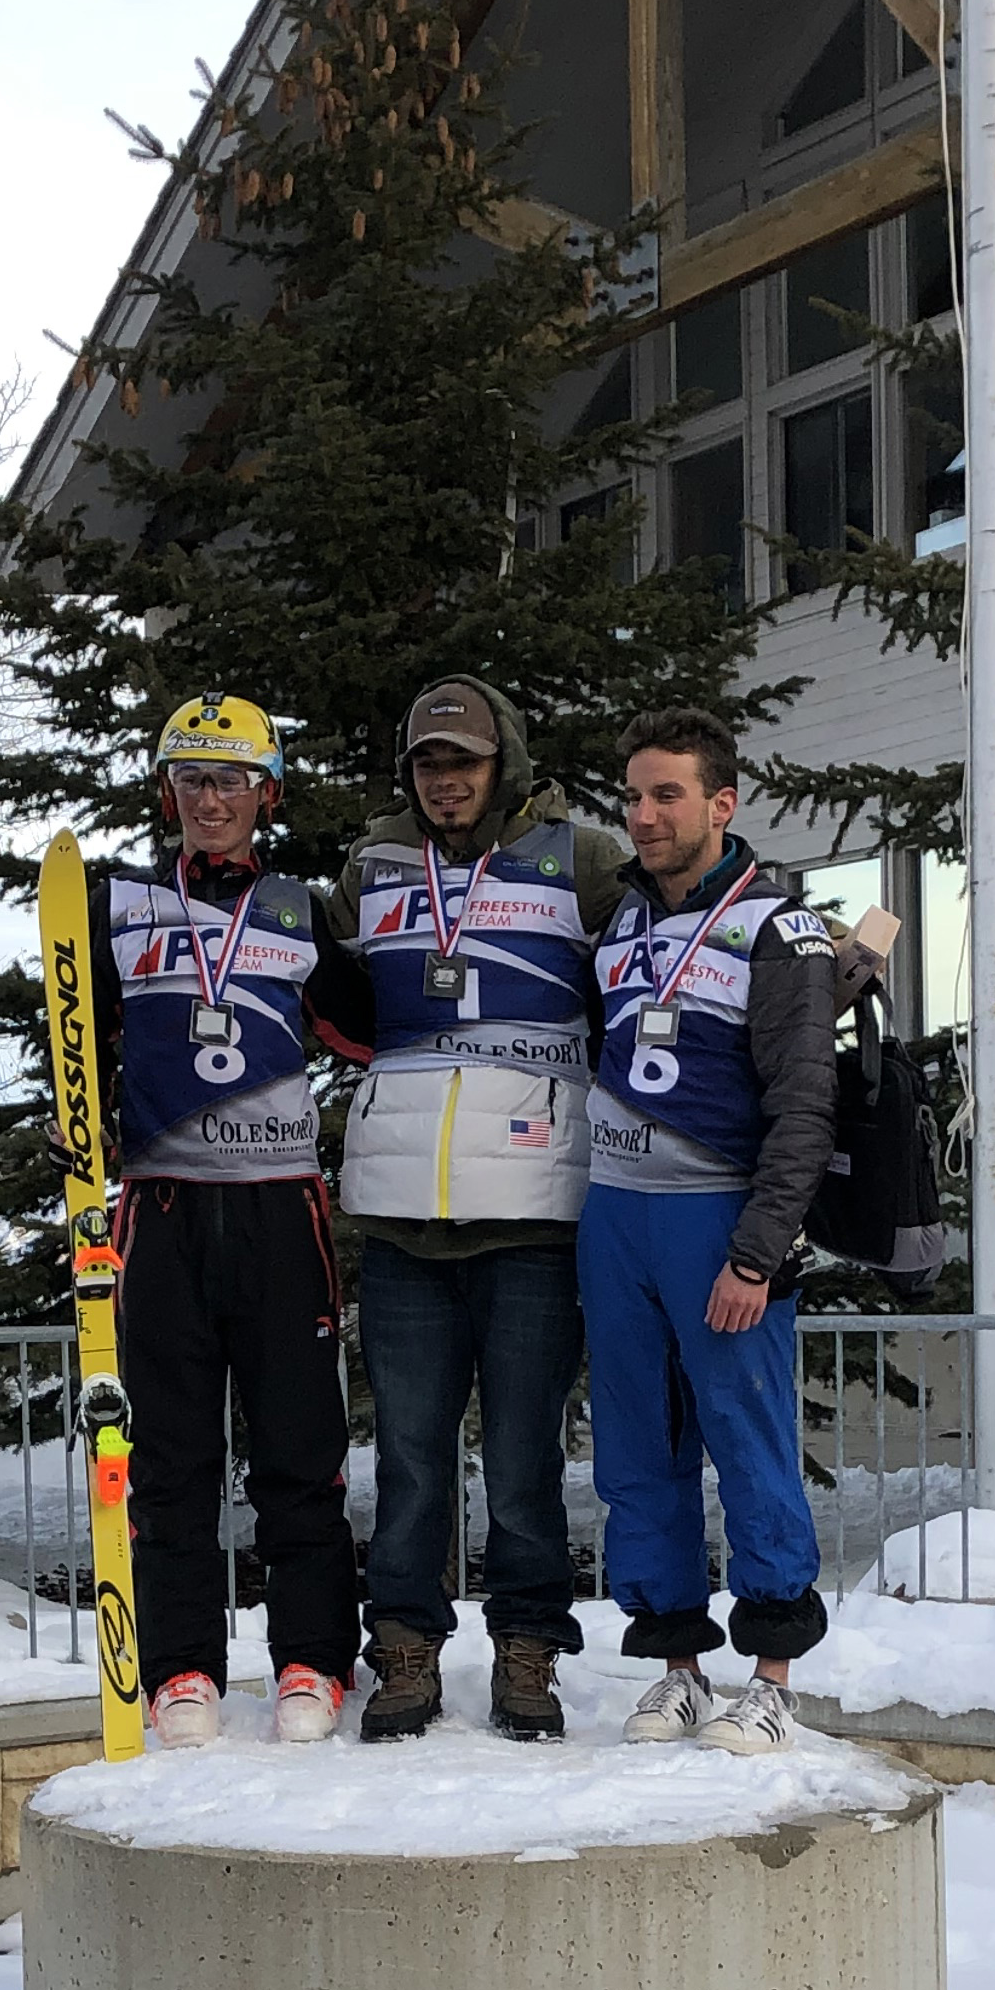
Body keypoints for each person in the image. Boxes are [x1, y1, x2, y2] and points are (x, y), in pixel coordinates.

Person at [328, 674, 626, 1742]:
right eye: (427, 763)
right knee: (407, 1456)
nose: (446, 780)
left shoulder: (578, 858)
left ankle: (528, 1652)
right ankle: (403, 1652)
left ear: (505, 759)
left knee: (524, 1459)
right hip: (403, 1215)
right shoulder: (370, 866)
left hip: (534, 1216)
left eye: (464, 760)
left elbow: (661, 954)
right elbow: (313, 991)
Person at [92, 693, 361, 1746]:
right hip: (163, 1209)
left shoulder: (300, 909)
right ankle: (183, 1665)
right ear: (169, 793)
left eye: (231, 780)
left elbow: (373, 1030)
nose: (212, 799)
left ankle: (309, 1659)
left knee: (301, 1447)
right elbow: (75, 1042)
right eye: (193, 779)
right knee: (169, 1455)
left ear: (267, 794)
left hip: (280, 1210)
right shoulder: (117, 906)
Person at [579, 704, 837, 1750]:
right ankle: (679, 1667)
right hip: (617, 1214)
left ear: (722, 805)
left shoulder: (777, 928)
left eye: (666, 795)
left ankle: (771, 1677)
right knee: (640, 1447)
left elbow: (804, 1107)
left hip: (717, 1220)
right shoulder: (621, 924)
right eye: (633, 795)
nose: (642, 815)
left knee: (749, 1440)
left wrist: (757, 1253)